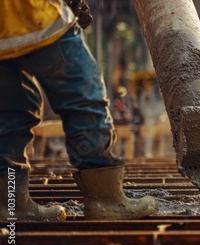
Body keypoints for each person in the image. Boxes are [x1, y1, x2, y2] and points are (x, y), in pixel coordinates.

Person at [0, 0, 158, 221]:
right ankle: (106, 199)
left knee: (9, 114)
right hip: (36, 15)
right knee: (84, 99)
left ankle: (9, 204)